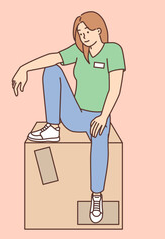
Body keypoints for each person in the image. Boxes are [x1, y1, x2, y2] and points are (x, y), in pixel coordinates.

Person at [12, 11, 125, 223]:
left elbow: (115, 88)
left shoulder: (113, 51)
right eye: (80, 33)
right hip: (75, 114)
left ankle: (96, 196)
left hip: (99, 116)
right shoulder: (79, 52)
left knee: (101, 142)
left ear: (99, 30)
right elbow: (53, 57)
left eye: (87, 32)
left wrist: (104, 116)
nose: (83, 37)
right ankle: (52, 128)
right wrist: (24, 68)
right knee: (52, 70)